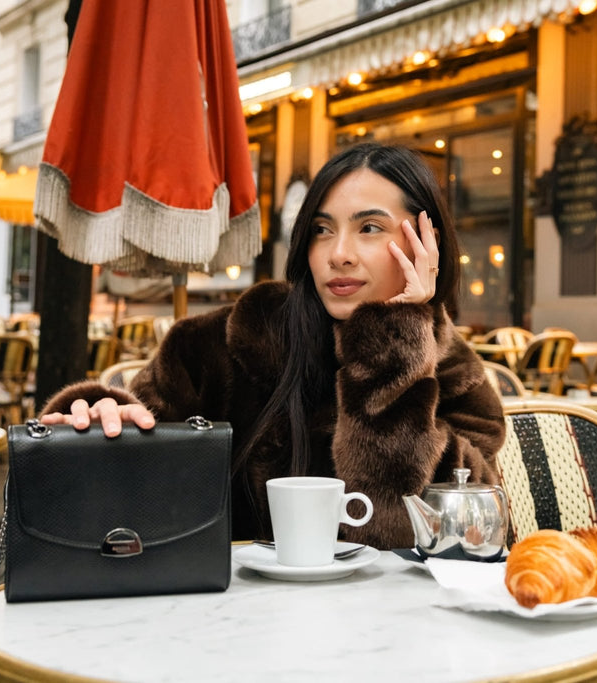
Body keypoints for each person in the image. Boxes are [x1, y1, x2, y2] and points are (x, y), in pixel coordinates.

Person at [41, 143, 505, 549]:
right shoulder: (216, 346)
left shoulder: (454, 377)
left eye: (369, 229)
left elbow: (417, 531)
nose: (337, 253)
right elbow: (130, 490)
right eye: (322, 229)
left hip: (390, 633)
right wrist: (103, 424)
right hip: (226, 624)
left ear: (427, 243)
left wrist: (394, 350)